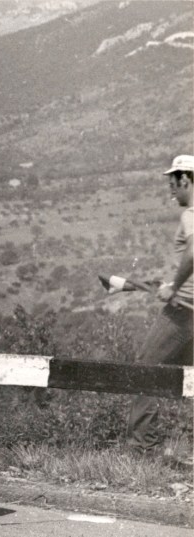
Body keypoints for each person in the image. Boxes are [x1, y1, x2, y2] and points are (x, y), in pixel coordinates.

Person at [126, 154, 194, 452]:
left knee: (146, 366)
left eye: (173, 184)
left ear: (186, 179)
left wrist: (175, 288)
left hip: (183, 312)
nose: (171, 191)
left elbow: (193, 253)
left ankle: (143, 448)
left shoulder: (191, 214)